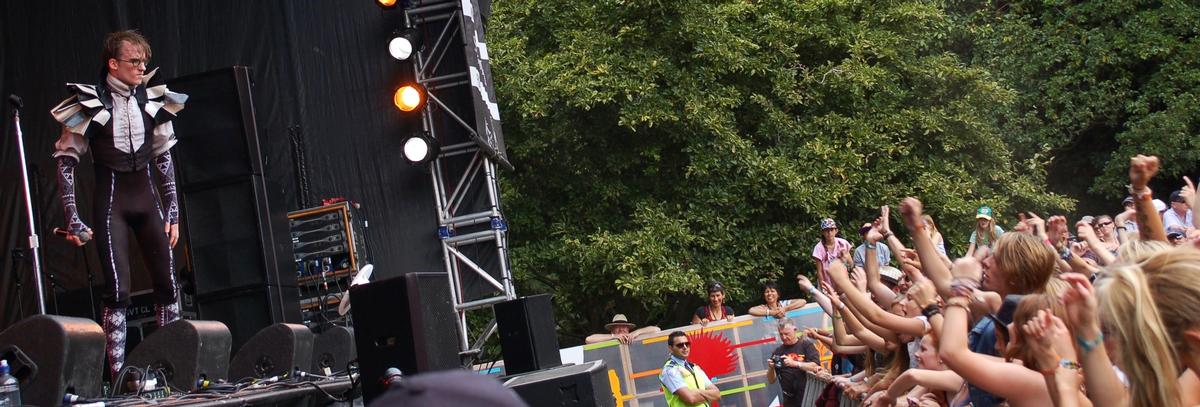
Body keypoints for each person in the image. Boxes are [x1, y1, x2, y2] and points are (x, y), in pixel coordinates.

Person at [50, 30, 187, 380]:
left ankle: (171, 367)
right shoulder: (90, 102)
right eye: (134, 61)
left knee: (168, 283)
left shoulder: (152, 100)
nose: (142, 68)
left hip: (146, 199)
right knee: (117, 290)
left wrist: (172, 211)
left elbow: (164, 159)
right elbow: (66, 161)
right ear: (113, 64)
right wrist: (73, 216)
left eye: (144, 61)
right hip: (112, 202)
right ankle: (119, 377)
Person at [766, 320, 823, 407]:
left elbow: (816, 366)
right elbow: (771, 380)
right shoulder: (778, 352)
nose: (784, 337)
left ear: (795, 330)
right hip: (790, 400)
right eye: (781, 334)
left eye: (786, 333)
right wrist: (771, 368)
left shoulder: (806, 345)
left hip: (809, 396)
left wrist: (795, 363)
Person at [659, 331, 721, 407]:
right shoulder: (670, 370)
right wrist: (708, 395)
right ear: (671, 348)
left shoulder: (694, 367)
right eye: (680, 345)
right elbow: (690, 399)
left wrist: (698, 392)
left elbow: (717, 394)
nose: (685, 347)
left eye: (687, 344)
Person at [812, 218, 852, 286]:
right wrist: (823, 288)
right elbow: (820, 272)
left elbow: (851, 264)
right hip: (827, 283)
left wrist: (845, 256)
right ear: (822, 232)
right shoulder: (819, 248)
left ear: (836, 231)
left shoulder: (843, 243)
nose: (829, 233)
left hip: (844, 284)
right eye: (826, 230)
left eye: (831, 230)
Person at [585, 314, 660, 344]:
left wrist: (638, 332)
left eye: (624, 326)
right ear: (612, 330)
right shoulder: (608, 339)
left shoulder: (634, 336)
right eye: (617, 327)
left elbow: (657, 330)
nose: (621, 329)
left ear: (628, 329)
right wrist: (614, 337)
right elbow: (588, 339)